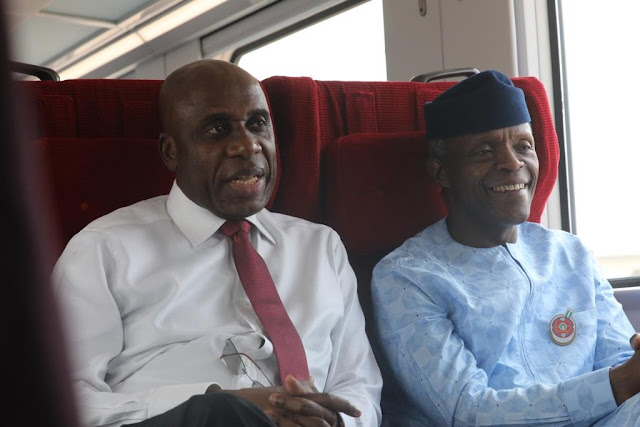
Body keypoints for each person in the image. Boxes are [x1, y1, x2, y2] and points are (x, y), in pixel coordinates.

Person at [52, 59, 382, 427]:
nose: (247, 145)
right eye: (217, 129)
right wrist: (209, 407)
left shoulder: (321, 247)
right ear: (171, 152)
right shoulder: (103, 250)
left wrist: (335, 421)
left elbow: (359, 384)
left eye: (258, 123)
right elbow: (62, 401)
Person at [371, 70, 640, 426]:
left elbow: (625, 367)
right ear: (442, 173)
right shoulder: (406, 276)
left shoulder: (570, 253)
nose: (513, 163)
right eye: (484, 151)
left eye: (523, 146)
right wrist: (619, 383)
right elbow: (466, 411)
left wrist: (627, 377)